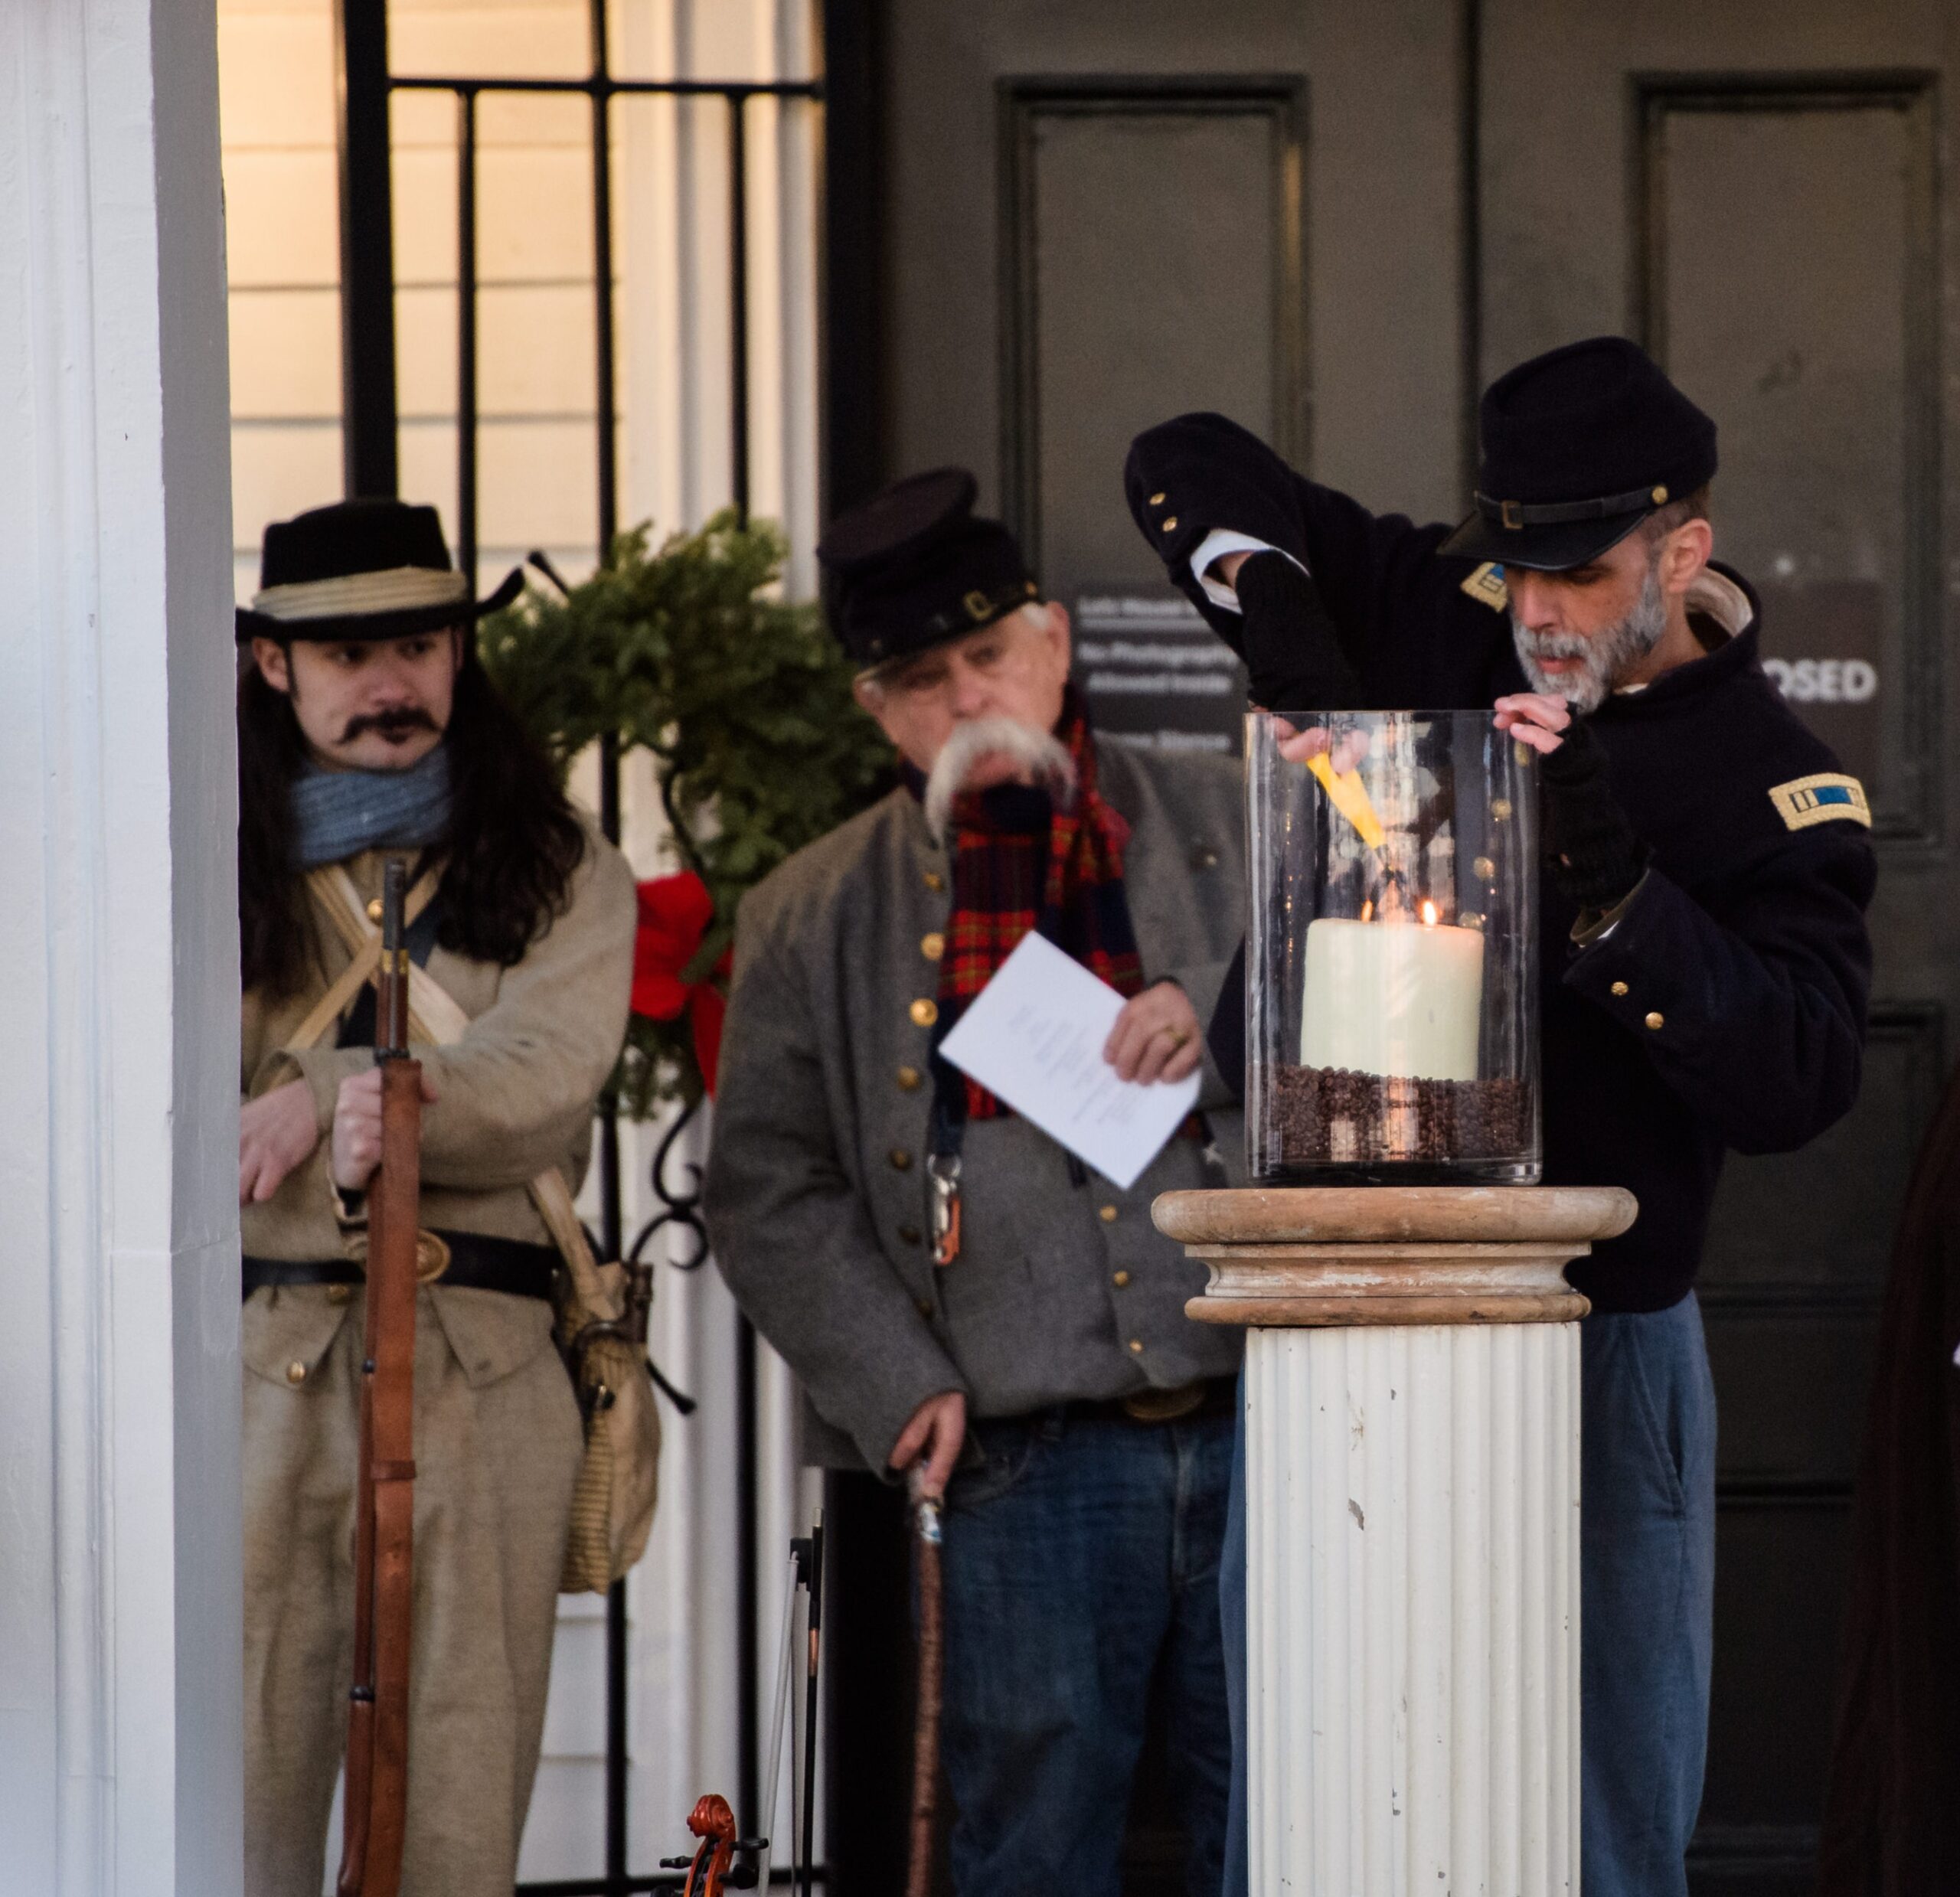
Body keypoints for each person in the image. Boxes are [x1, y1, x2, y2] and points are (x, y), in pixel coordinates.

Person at [1125, 336, 1877, 1897]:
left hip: (1601, 1337)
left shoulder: (1772, 778)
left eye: (1580, 575)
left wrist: (1617, 896)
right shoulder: (1444, 609)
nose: (1534, 611)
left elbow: (1800, 1074)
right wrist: (1276, 609)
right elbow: (1183, 456)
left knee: (1597, 1813)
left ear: (1683, 551)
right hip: (1342, 1300)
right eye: (1516, 564)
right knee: (1317, 1776)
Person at [705, 469, 1246, 1897]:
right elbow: (765, 1185)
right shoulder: (809, 913)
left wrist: (1220, 1019)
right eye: (920, 679)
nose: (968, 699)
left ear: (1054, 641)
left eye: (990, 653)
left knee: (1286, 1824)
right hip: (1017, 1459)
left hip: (1271, 1419)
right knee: (1032, 1853)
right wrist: (895, 1382)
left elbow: (1376, 1023)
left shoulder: (1243, 820)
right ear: (875, 710)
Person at [235, 498, 636, 1897]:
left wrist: (338, 1094)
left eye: (416, 646)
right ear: (274, 665)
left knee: (459, 1807)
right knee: (240, 1800)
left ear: (461, 654)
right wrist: (329, 1118)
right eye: (349, 655)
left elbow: (546, 1075)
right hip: (264, 1374)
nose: (390, 684)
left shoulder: (564, 865)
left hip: (486, 1362)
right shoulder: (199, 862)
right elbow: (168, 1118)